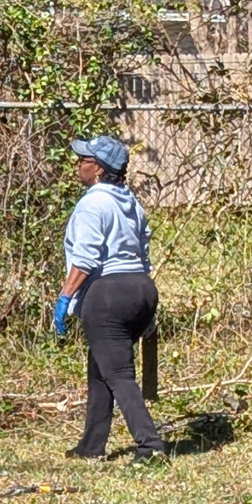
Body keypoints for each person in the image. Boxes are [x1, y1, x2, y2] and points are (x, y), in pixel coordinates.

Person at [54, 134, 164, 462]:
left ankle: (150, 445)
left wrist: (64, 298)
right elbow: (143, 251)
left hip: (108, 295)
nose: (78, 165)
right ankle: (92, 446)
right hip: (141, 289)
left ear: (99, 170)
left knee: (119, 375)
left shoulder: (92, 203)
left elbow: (85, 261)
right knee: (102, 367)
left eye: (84, 160)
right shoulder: (130, 201)